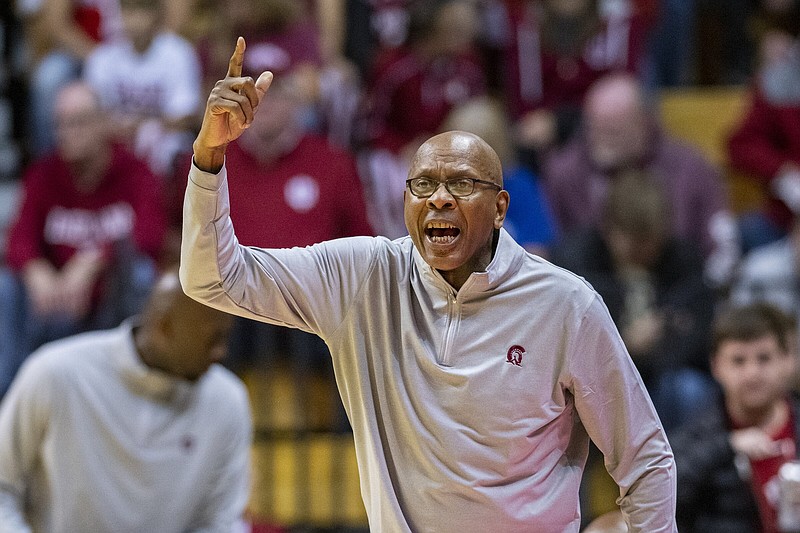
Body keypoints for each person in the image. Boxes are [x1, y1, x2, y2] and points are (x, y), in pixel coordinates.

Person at [179, 37, 676, 531]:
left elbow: (646, 459)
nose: (438, 199)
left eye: (461, 184)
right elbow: (213, 279)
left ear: (501, 209)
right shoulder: (362, 277)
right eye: (422, 185)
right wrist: (209, 157)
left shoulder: (566, 304)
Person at [0, 269, 251, 532]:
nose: (222, 352)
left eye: (226, 337)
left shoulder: (228, 400)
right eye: (213, 338)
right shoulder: (57, 373)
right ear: (165, 328)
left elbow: (222, 522)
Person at [0, 81, 166, 400]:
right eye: (59, 124)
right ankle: (11, 396)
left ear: (104, 123)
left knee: (142, 273)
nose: (66, 132)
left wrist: (95, 261)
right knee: (6, 287)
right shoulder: (44, 174)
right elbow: (18, 238)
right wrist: (36, 270)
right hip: (55, 303)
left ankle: (135, 387)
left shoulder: (136, 172)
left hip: (111, 303)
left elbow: (150, 235)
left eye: (77, 122)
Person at [550, 170, 716, 431]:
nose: (643, 250)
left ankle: (682, 469)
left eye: (651, 240)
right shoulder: (575, 264)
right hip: (596, 385)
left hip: (661, 380)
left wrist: (660, 342)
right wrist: (625, 345)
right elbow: (564, 341)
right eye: (633, 241)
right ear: (608, 229)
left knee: (690, 389)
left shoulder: (684, 262)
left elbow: (699, 333)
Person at [543, 72, 740, 287]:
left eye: (613, 132)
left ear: (644, 124)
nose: (600, 142)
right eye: (593, 130)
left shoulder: (690, 170)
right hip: (589, 284)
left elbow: (721, 237)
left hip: (674, 283)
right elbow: (551, 243)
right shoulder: (564, 171)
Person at [670, 302, 799, 533]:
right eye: (738, 361)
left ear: (786, 361)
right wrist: (728, 446)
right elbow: (663, 491)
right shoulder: (698, 432)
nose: (752, 374)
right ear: (716, 366)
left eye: (764, 358)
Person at [83, 0, 202, 177]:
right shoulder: (102, 58)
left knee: (169, 146)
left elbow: (185, 117)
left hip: (163, 139)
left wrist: (143, 127)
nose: (134, 21)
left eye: (141, 12)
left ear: (155, 15)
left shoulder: (178, 52)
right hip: (116, 139)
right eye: (128, 12)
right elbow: (91, 116)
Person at [727, 34, 800, 253]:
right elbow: (740, 145)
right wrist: (782, 170)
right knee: (732, 238)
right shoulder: (779, 84)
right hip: (784, 220)